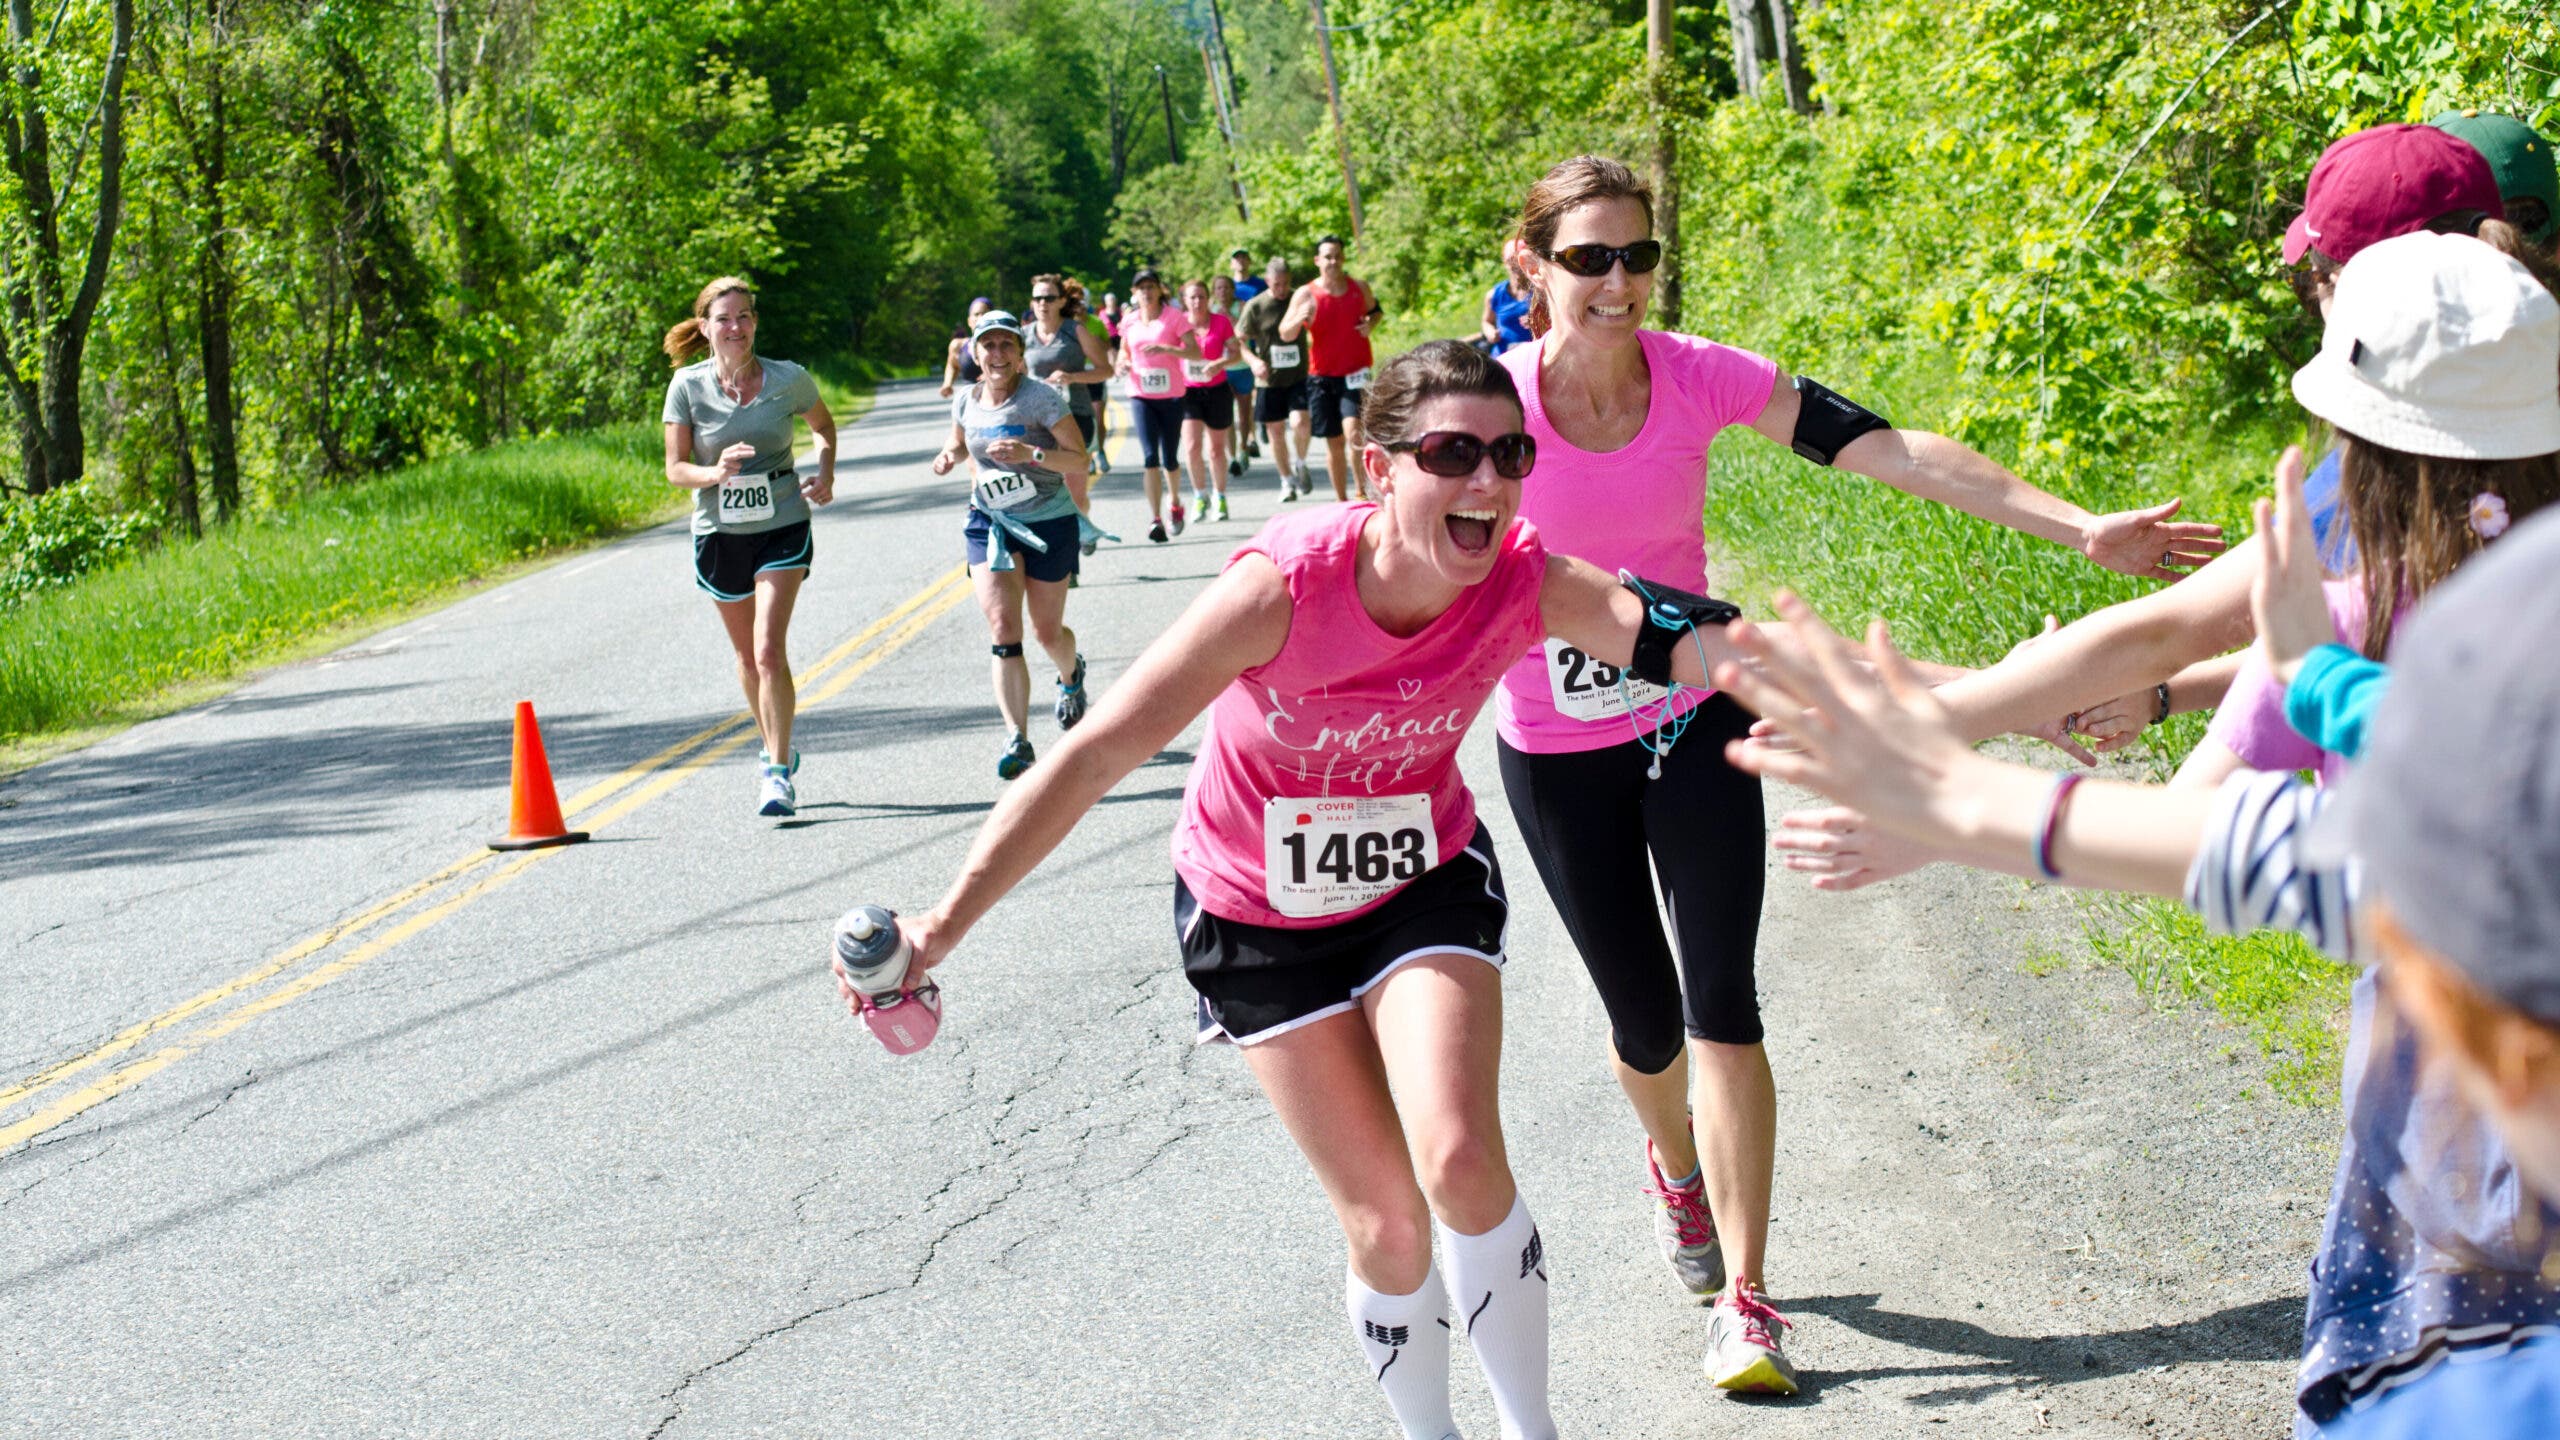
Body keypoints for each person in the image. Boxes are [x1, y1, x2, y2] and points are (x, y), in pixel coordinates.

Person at [842, 341, 1777, 1440]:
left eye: (1509, 454)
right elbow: (1096, 754)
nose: (1487, 481)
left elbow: (1715, 651)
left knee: (1462, 1161)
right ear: (1380, 468)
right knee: (1387, 1227)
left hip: (1419, 886)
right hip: (1253, 913)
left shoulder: (1527, 578)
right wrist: (943, 924)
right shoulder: (1281, 588)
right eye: (1452, 454)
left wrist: (1974, 702)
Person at [1718, 228, 2560, 1435]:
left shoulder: (2371, 680)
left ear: (2361, 446)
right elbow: (2220, 802)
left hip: (2452, 1147)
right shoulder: (2390, 619)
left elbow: (2226, 838)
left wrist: (1952, 803)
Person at [1485, 154, 2225, 1394]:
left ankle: (1746, 1299)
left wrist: (2077, 527)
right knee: (1644, 1023)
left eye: (1638, 255)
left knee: (1722, 998)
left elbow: (1891, 449)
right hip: (1557, 749)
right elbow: (1419, 568)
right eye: (1587, 259)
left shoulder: (1699, 373)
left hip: (1703, 714)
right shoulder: (1495, 411)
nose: (1618, 284)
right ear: (1530, 268)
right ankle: (1674, 1171)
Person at [660, 275, 838, 817]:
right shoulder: (687, 387)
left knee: (767, 649)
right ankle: (774, 745)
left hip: (782, 520)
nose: (735, 327)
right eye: (723, 318)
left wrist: (825, 473)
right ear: (706, 327)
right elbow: (675, 469)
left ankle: (777, 773)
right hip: (719, 534)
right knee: (745, 658)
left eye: (744, 317)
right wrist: (714, 472)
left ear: (755, 323)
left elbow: (824, 428)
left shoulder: (789, 379)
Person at [930, 309, 1094, 779]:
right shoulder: (966, 399)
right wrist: (948, 455)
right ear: (975, 354)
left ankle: (1070, 675)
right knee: (1004, 627)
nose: (997, 354)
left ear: (1020, 355)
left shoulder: (1041, 400)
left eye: (1006, 345)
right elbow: (961, 442)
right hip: (990, 520)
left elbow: (1079, 459)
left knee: (1047, 632)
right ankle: (1017, 738)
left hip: (1048, 521)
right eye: (988, 346)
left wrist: (1032, 455)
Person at [1281, 234, 1384, 502]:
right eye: (1328, 256)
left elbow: (1376, 312)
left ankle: (1361, 492)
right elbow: (1285, 332)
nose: (1333, 261)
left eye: (1337, 255)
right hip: (1322, 378)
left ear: (1344, 257)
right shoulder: (1306, 294)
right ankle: (1341, 501)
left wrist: (1370, 324)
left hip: (1355, 373)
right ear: (1317, 261)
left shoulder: (1358, 288)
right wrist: (1299, 320)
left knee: (1355, 434)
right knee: (1335, 442)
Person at [1116, 268, 1208, 542]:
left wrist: (1168, 350)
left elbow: (1195, 351)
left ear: (1159, 290)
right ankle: (1155, 518)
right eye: (1140, 287)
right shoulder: (1130, 320)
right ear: (1134, 293)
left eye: (1150, 287)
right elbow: (1124, 350)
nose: (1146, 292)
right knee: (1149, 458)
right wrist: (1122, 362)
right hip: (1140, 393)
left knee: (1169, 457)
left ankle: (1175, 503)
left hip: (1171, 395)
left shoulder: (1174, 318)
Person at [1024, 273, 1114, 514]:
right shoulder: (1024, 336)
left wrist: (1072, 377)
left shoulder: (1075, 330)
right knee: (1043, 486)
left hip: (1075, 414)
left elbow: (1105, 370)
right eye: (1038, 299)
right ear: (1032, 302)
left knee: (1075, 490)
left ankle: (1082, 524)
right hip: (1038, 420)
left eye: (1049, 298)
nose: (1043, 303)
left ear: (1062, 301)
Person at [1241, 255, 1314, 502]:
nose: (1282, 290)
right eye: (1276, 285)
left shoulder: (1299, 298)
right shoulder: (1256, 306)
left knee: (1300, 423)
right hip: (1268, 380)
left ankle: (1301, 464)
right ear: (1267, 281)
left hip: (1297, 376)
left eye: (1285, 284)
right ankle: (1286, 481)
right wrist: (1253, 362)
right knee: (1275, 432)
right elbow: (1239, 341)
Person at [1180, 278, 1242, 522]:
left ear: (1209, 299)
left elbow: (1236, 354)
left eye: (1201, 297)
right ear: (1185, 300)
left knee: (1216, 449)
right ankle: (1199, 495)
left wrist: (1221, 363)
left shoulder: (1221, 322)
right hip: (1188, 392)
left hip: (1217, 390)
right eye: (1192, 297)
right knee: (1192, 447)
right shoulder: (1179, 324)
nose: (1197, 302)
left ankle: (1220, 495)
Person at [1064, 277, 1114, 474]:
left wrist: (1091, 341)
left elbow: (1107, 346)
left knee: (1097, 416)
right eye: (1075, 303)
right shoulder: (1066, 326)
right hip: (1074, 376)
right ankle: (1088, 456)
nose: (1079, 307)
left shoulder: (1096, 323)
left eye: (1082, 302)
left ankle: (1099, 450)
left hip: (1094, 374)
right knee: (1074, 420)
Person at [1216, 273, 1260, 474]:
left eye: (1226, 287)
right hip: (1222, 368)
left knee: (1243, 415)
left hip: (1242, 367)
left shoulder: (1243, 307)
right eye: (1219, 288)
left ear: (1233, 290)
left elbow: (1251, 334)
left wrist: (1234, 323)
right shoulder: (1210, 310)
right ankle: (1231, 456)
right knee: (1226, 416)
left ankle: (1243, 447)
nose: (1223, 291)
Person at [1480, 246, 1533, 358]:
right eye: (1510, 261)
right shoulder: (1494, 294)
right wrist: (1490, 332)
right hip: (1504, 356)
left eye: (1519, 260)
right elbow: (1486, 321)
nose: (1515, 265)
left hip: (1534, 354)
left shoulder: (1540, 289)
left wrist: (1537, 320)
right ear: (1504, 263)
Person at [941, 296, 994, 398]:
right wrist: (947, 384)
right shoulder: (958, 346)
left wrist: (994, 376)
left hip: (998, 401)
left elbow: (1018, 369)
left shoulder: (1003, 346)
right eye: (976, 314)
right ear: (969, 321)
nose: (980, 317)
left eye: (985, 313)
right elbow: (952, 365)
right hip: (969, 402)